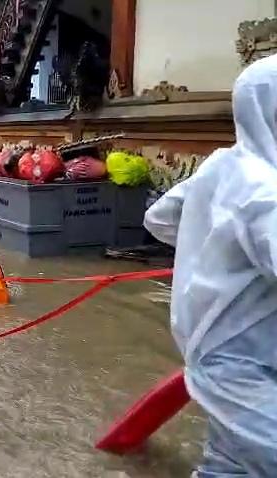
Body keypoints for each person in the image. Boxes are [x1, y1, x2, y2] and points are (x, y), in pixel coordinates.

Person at [143, 55, 277, 476]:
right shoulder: (265, 192)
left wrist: (213, 255)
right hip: (243, 358)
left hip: (209, 346)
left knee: (231, 463)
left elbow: (159, 219)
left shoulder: (222, 163)